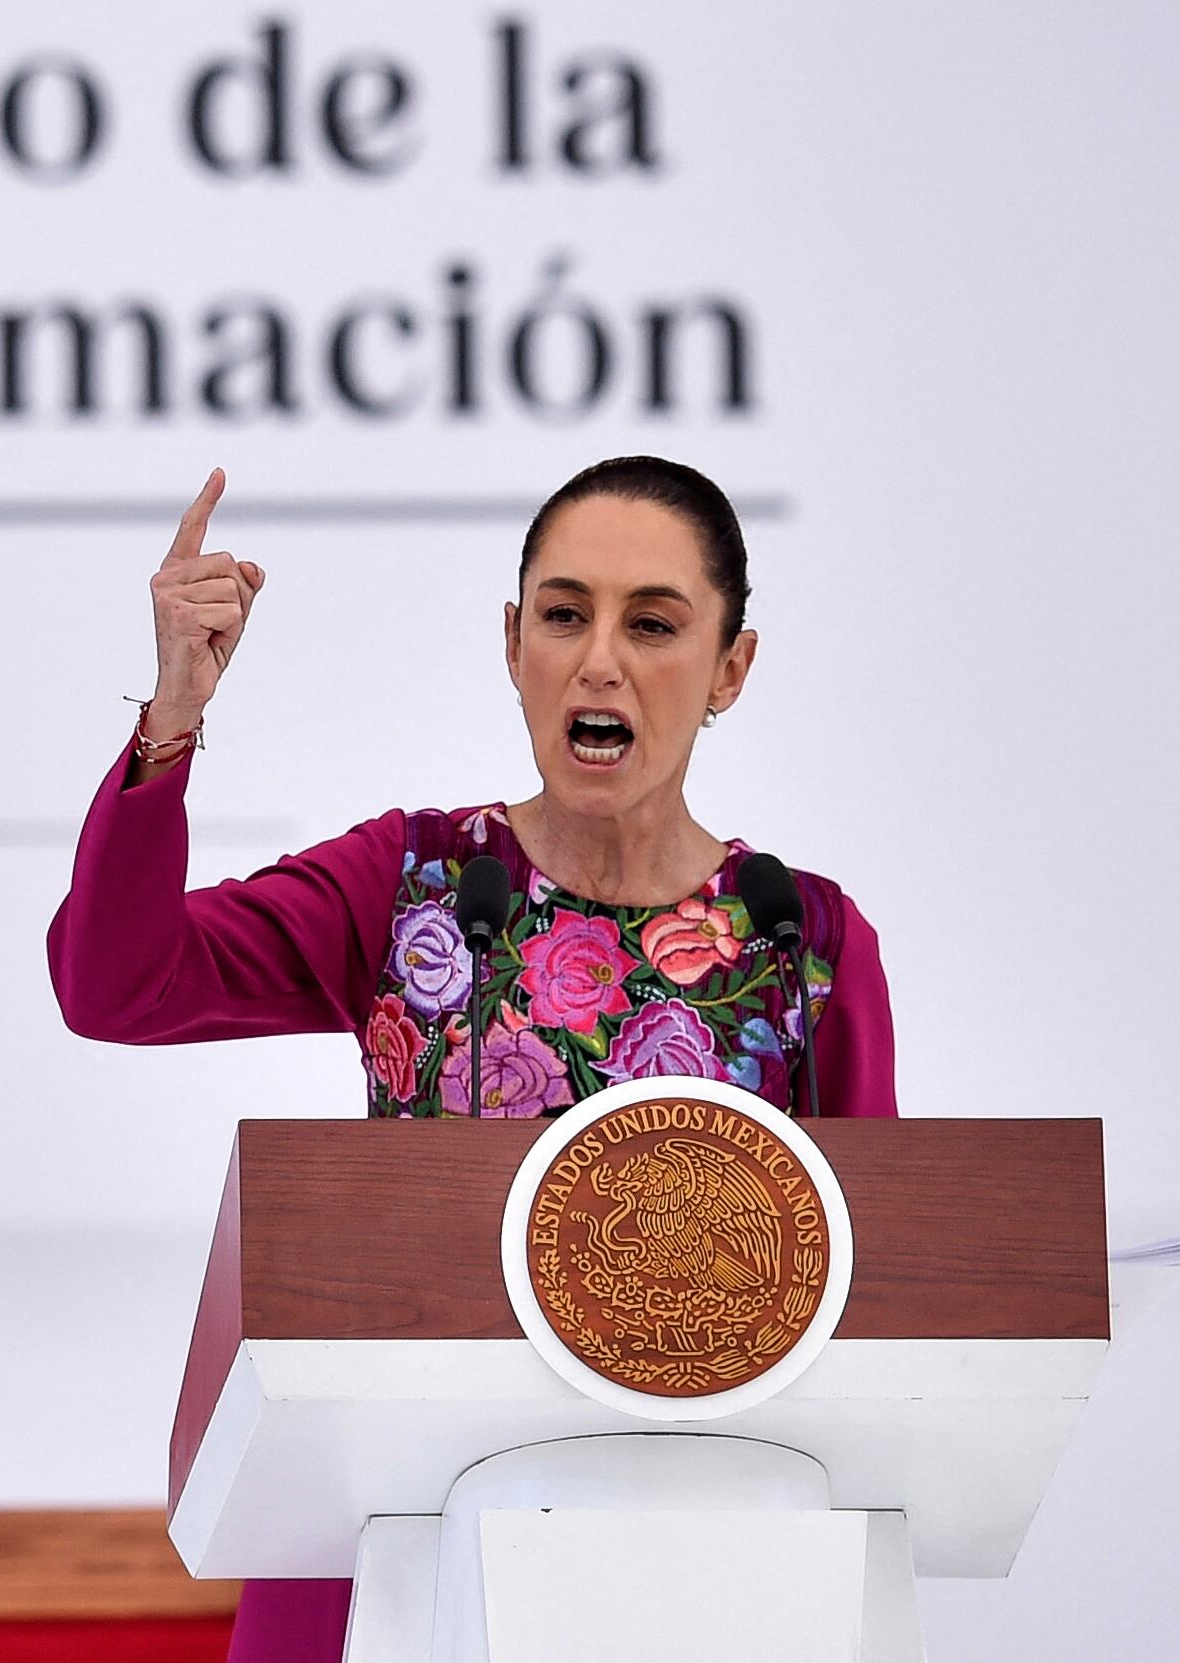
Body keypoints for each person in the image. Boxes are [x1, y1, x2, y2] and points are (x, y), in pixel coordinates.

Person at [47, 455, 898, 1663]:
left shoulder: (798, 941)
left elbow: (876, 1313)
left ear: (729, 668)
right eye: (563, 615)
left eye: (651, 623)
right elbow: (114, 983)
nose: (598, 658)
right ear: (512, 645)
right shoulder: (411, 885)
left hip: (698, 1578)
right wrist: (171, 719)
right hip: (384, 1557)